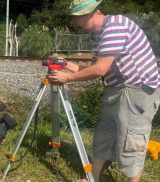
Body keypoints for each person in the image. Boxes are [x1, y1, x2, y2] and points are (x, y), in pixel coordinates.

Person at [48, 0, 160, 182]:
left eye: (75, 19)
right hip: (115, 91)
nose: (74, 24)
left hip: (137, 92)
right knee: (103, 137)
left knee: (131, 144)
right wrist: (66, 65)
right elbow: (93, 68)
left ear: (86, 14)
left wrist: (66, 78)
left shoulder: (115, 26)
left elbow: (99, 70)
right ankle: (94, 178)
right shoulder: (104, 36)